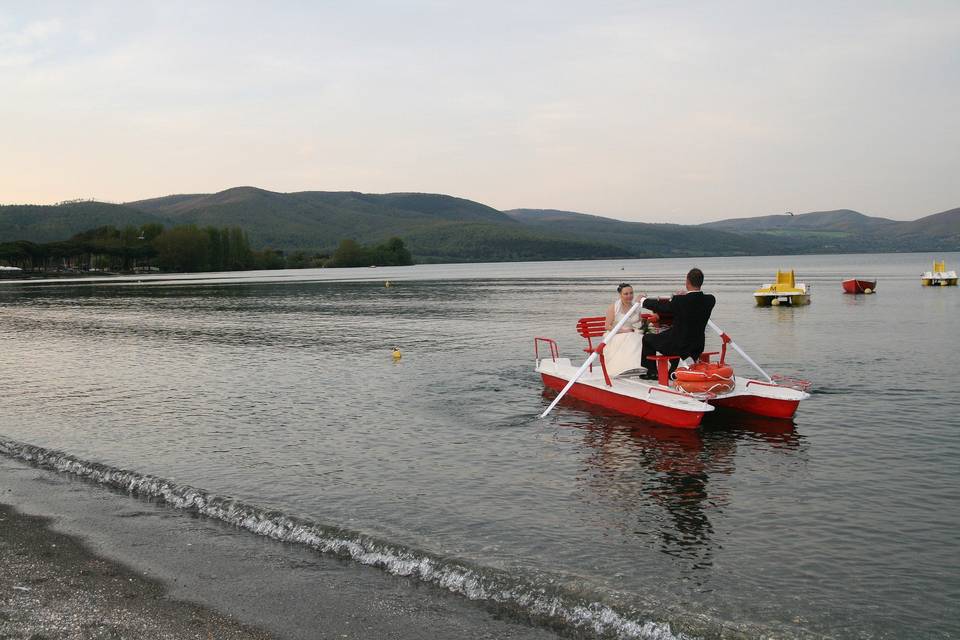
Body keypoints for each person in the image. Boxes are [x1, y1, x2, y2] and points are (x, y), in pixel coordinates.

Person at [639, 268, 715, 380]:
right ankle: (673, 369)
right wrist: (684, 296)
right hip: (697, 345)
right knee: (668, 335)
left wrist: (643, 301)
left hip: (679, 346)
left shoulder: (679, 301)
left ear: (687, 282)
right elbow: (693, 305)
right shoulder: (710, 300)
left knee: (647, 338)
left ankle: (652, 372)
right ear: (701, 282)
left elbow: (661, 307)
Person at [602, 283, 645, 376]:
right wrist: (623, 331)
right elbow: (607, 326)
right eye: (626, 294)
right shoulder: (614, 307)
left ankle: (641, 367)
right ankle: (626, 368)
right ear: (620, 294)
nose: (629, 296)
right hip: (616, 333)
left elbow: (640, 323)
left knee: (643, 338)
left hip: (632, 332)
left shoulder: (636, 306)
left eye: (631, 293)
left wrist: (643, 328)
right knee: (630, 338)